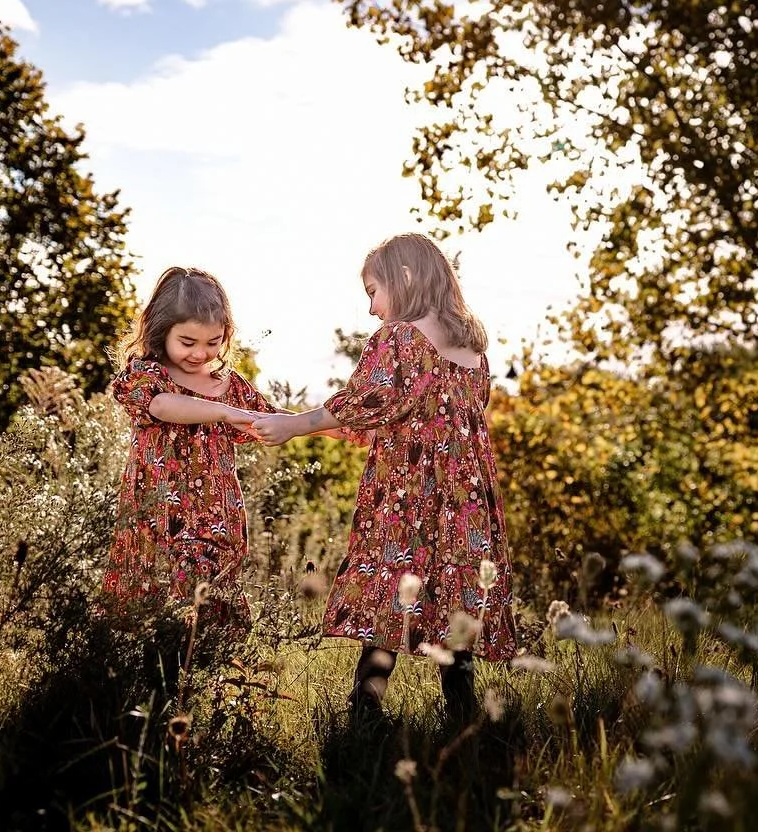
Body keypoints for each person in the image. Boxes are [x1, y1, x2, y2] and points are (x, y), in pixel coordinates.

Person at [253, 234, 517, 719]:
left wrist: (293, 425)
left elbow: (363, 405)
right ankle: (461, 706)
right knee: (454, 588)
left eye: (373, 291)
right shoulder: (474, 351)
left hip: (409, 490)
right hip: (465, 498)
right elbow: (446, 417)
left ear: (406, 279)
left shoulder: (400, 339)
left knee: (393, 583)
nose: (373, 309)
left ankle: (365, 703)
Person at [103, 266, 276, 631]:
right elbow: (163, 406)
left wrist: (331, 425)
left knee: (208, 602)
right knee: (154, 606)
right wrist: (225, 413)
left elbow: (271, 419)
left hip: (215, 516)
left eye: (213, 343)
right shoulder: (146, 374)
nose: (200, 354)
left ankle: (202, 676)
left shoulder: (226, 383)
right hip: (159, 515)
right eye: (188, 342)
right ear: (160, 329)